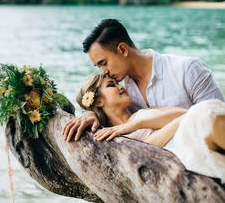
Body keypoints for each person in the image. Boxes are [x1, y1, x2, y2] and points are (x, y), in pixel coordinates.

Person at [63, 19, 224, 142]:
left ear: (123, 50)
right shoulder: (121, 90)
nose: (103, 72)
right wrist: (91, 113)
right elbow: (105, 104)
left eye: (103, 63)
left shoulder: (187, 69)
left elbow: (218, 117)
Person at [65, 73, 225, 182]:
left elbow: (185, 114)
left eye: (117, 83)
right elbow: (148, 147)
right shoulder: (111, 136)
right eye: (111, 85)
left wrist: (136, 123)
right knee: (204, 115)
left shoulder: (143, 113)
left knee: (205, 112)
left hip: (187, 135)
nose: (120, 86)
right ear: (98, 101)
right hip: (177, 152)